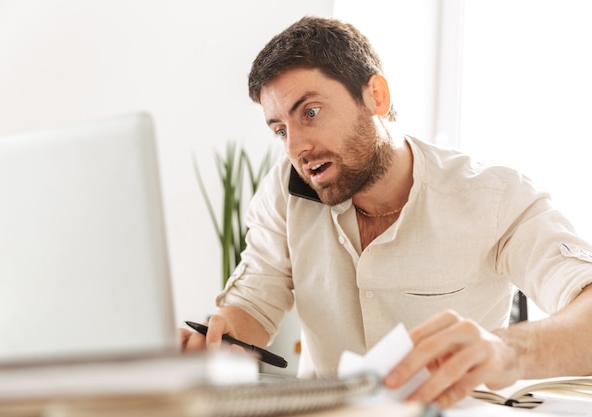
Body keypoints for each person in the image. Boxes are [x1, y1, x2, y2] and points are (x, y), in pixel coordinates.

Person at [181, 16, 592, 408]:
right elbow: (253, 302)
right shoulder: (287, 190)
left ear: (376, 96)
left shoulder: (495, 196)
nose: (296, 149)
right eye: (281, 130)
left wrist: (508, 351)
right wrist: (222, 339)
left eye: (310, 112)